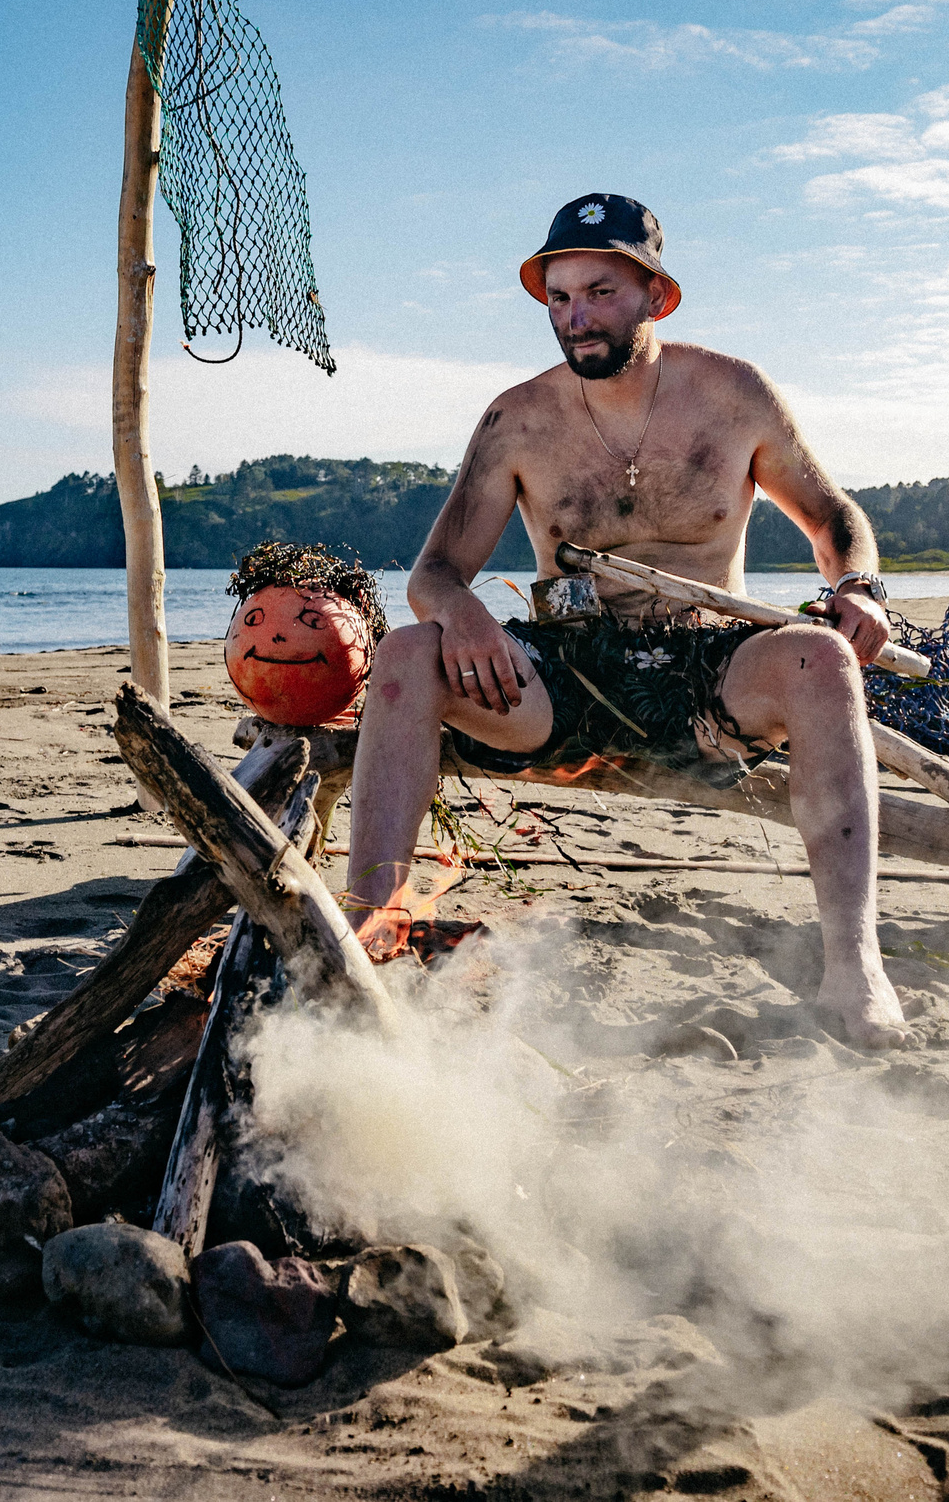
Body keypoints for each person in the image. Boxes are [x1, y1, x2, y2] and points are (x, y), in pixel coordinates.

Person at [346, 193, 907, 1046]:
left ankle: (853, 967)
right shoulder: (517, 419)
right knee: (404, 653)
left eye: (601, 292)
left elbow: (836, 521)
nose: (577, 317)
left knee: (821, 659)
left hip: (709, 673)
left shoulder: (734, 394)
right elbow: (435, 572)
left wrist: (859, 586)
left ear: (657, 296)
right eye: (560, 297)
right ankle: (368, 934)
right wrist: (459, 614)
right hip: (563, 675)